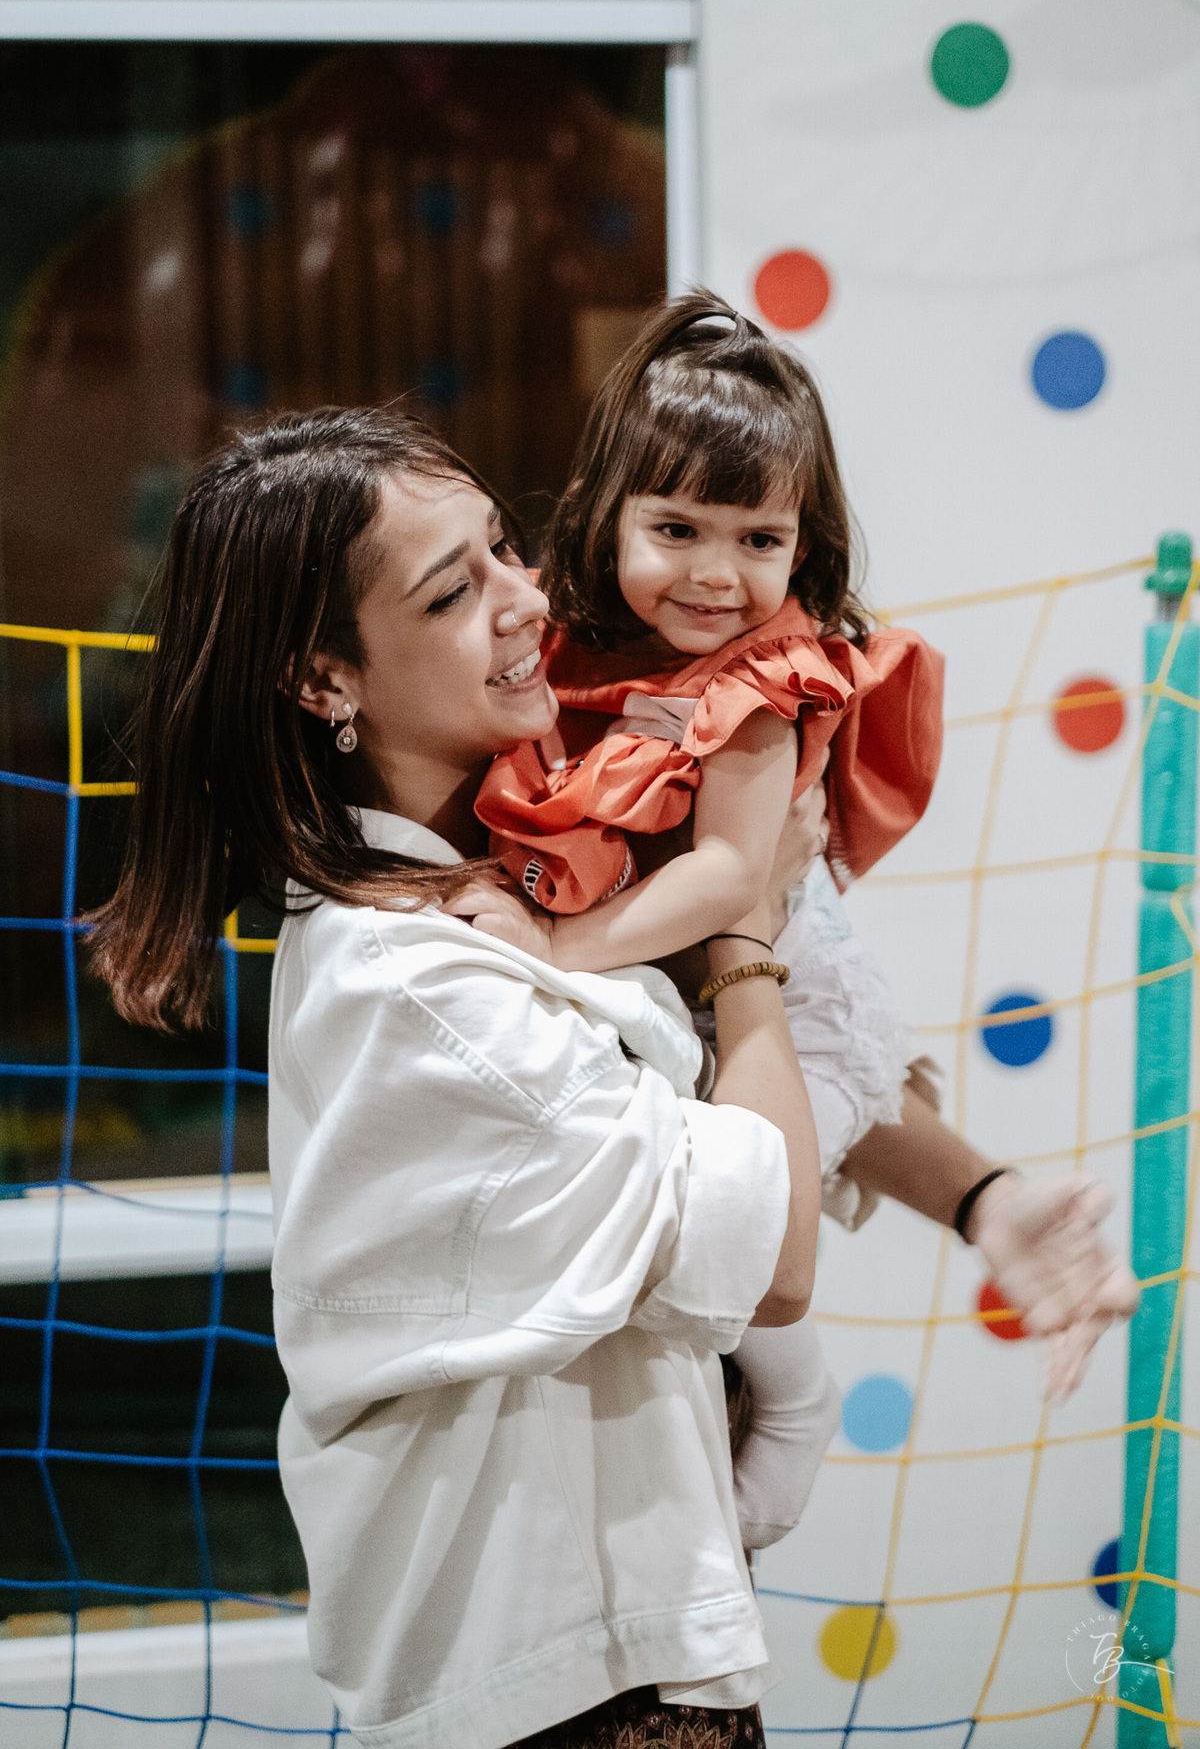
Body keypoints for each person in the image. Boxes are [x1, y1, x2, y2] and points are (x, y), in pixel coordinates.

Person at [86, 407, 834, 1749]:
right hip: (578, 1687)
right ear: (326, 681)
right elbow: (777, 1254)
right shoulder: (423, 983)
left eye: (505, 548)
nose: (524, 598)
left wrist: (985, 1197)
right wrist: (749, 936)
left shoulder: (515, 884)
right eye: (454, 589)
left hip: (597, 1653)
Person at [455, 292, 1140, 1552]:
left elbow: (728, 879)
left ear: (802, 547)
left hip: (775, 975)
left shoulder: (764, 689)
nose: (717, 576)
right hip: (679, 980)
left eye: (759, 540)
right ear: (602, 513)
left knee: (743, 1228)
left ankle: (800, 1391)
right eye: (676, 528)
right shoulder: (570, 647)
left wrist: (556, 954)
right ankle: (982, 1218)